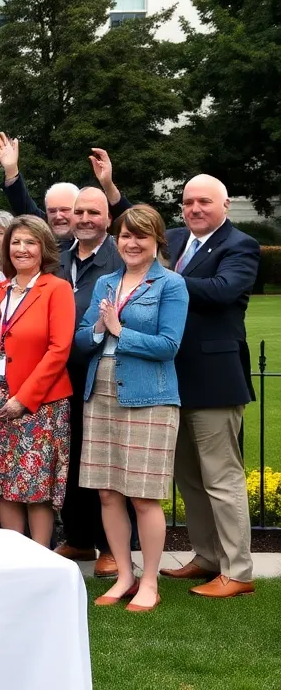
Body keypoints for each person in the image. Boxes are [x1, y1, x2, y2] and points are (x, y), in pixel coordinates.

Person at [74, 205, 187, 612]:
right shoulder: (106, 282)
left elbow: (170, 346)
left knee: (142, 496)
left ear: (157, 241)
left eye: (141, 236)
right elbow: (82, 339)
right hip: (101, 390)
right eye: (125, 236)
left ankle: (150, 581)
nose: (132, 243)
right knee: (107, 492)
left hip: (149, 397)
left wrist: (122, 332)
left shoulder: (170, 285)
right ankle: (124, 575)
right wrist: (99, 330)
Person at [159, 174, 259, 598]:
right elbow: (135, 228)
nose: (195, 208)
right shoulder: (177, 239)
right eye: (187, 202)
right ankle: (207, 556)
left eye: (204, 201)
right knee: (190, 479)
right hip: (174, 379)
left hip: (216, 381)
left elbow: (222, 291)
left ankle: (238, 571)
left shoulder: (240, 245)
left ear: (225, 203)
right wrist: (109, 188)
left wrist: (164, 280)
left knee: (222, 478)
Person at [0, 215, 74, 546]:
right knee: (5, 482)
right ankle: (14, 559)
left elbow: (59, 350)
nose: (22, 249)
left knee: (35, 486)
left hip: (40, 404)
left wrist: (25, 398)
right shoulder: (0, 290)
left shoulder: (56, 289)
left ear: (43, 248)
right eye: (16, 242)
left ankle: (40, 559)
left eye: (30, 242)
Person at [54, 187, 122, 576]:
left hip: (104, 372)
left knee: (108, 462)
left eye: (93, 212)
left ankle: (113, 546)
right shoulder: (60, 258)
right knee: (74, 458)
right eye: (78, 211)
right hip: (63, 375)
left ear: (108, 218)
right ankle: (79, 539)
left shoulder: (118, 257)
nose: (83, 218)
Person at [0, 133, 132, 236]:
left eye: (65, 210)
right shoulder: (44, 231)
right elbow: (22, 204)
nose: (58, 216)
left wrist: (107, 184)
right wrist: (11, 169)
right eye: (52, 211)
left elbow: (131, 220)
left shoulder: (95, 233)